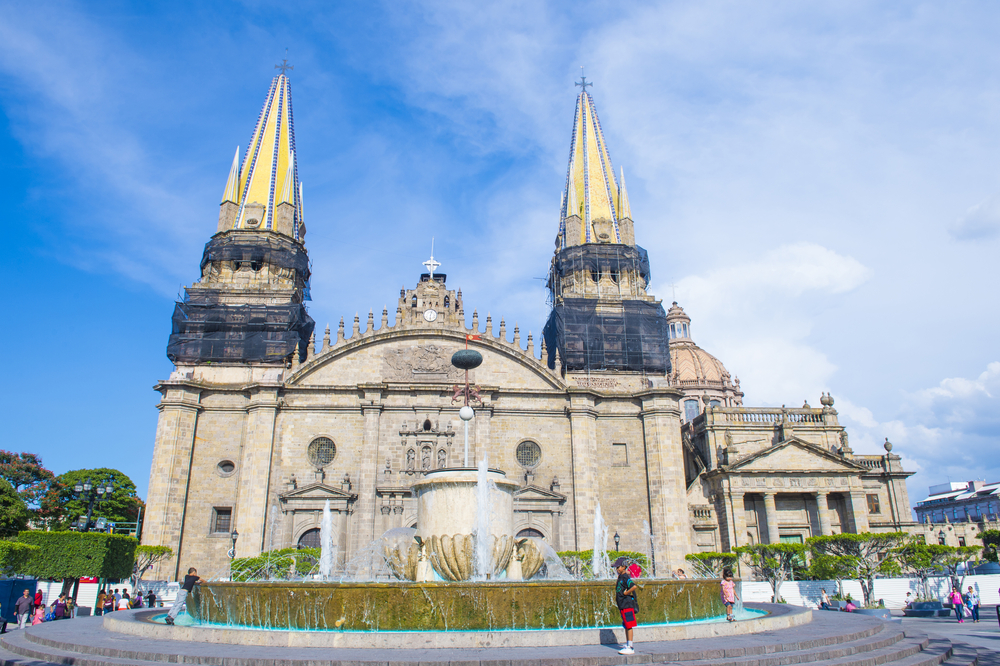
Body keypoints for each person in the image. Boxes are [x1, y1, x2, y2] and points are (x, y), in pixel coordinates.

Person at [613, 556, 638, 655]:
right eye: (616, 567)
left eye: (618, 567)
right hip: (623, 605)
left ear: (624, 567)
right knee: (626, 625)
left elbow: (633, 586)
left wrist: (626, 593)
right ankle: (628, 644)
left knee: (629, 625)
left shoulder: (625, 577)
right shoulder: (621, 576)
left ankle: (630, 647)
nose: (617, 569)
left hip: (627, 604)